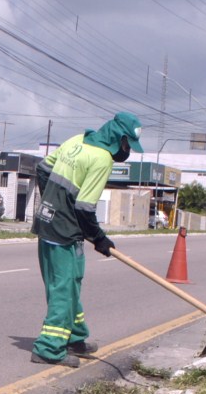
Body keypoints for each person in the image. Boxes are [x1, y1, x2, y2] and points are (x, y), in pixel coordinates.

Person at [29, 112, 141, 365]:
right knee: (63, 287)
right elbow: (85, 207)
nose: (127, 152)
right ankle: (49, 348)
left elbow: (42, 169)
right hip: (64, 230)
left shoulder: (77, 140)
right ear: (118, 137)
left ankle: (74, 337)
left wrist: (53, 205)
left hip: (48, 222)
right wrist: (100, 238)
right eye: (127, 146)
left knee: (71, 283)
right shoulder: (102, 159)